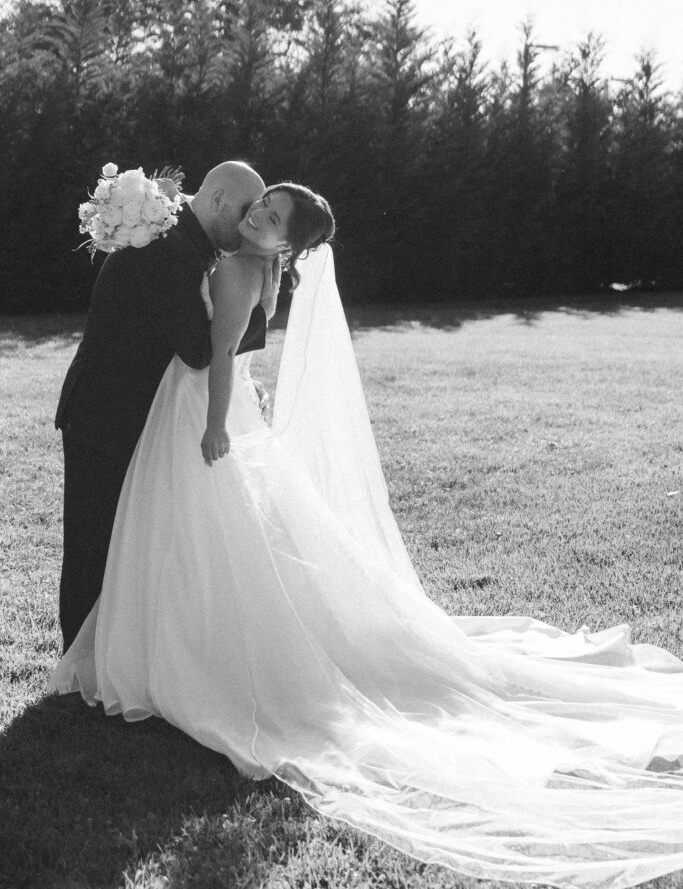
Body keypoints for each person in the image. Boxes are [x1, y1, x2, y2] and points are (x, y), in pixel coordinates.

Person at [51, 186, 683, 889]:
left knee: (193, 534)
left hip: (200, 414)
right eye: (262, 204)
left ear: (286, 244)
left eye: (272, 217)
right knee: (209, 538)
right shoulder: (260, 269)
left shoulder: (235, 268)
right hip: (206, 408)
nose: (257, 214)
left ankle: (182, 650)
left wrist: (214, 426)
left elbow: (218, 353)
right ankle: (175, 636)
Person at [55, 160, 281, 651]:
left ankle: (113, 655)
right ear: (217, 200)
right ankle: (77, 665)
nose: (251, 220)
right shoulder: (169, 249)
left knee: (126, 545)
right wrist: (263, 313)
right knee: (93, 546)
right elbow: (199, 348)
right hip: (106, 416)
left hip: (128, 412)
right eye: (246, 207)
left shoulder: (181, 241)